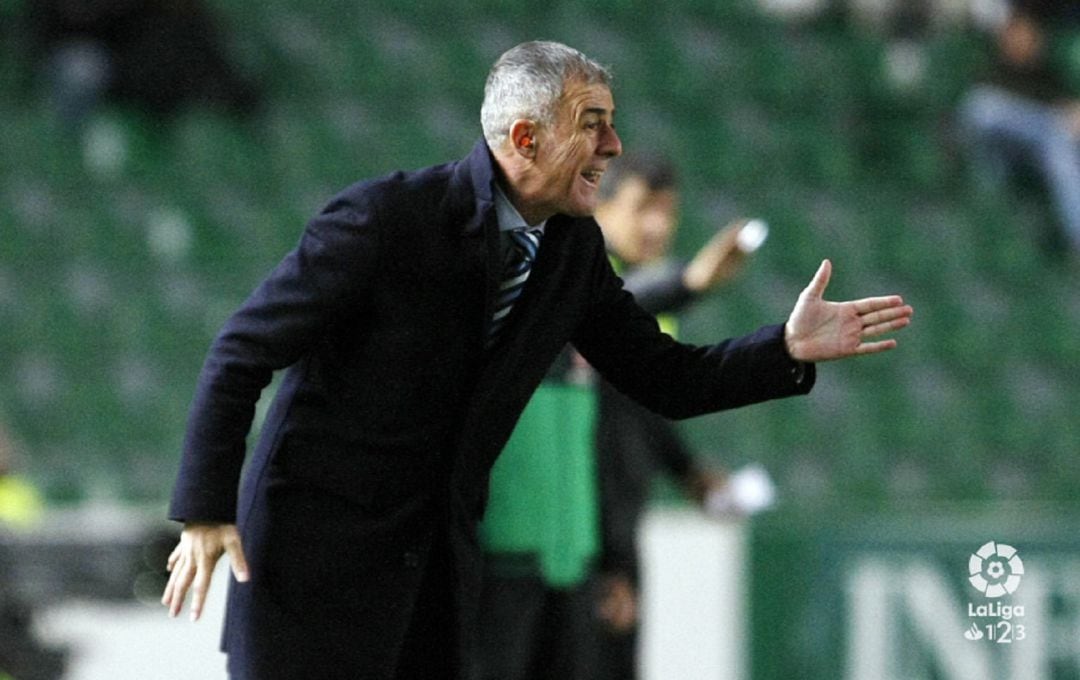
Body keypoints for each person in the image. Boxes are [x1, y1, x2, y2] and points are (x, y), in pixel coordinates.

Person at [161, 40, 913, 680]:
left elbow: (664, 378)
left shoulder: (572, 250)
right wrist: (204, 508)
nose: (613, 149)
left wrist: (782, 348)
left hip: (437, 578)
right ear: (525, 139)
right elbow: (242, 351)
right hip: (313, 567)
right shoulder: (384, 220)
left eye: (612, 127)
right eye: (593, 127)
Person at [471, 153, 753, 680]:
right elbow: (599, 311)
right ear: (599, 205)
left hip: (588, 544)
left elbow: (637, 408)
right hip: (549, 543)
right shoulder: (573, 277)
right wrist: (688, 281)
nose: (658, 225)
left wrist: (685, 469)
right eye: (643, 206)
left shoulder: (634, 297)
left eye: (668, 211)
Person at [957, 0, 1080, 258]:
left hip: (1035, 142)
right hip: (990, 137)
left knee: (1058, 144)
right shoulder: (985, 61)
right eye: (1016, 34)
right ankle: (987, 213)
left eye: (1030, 36)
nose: (1022, 41)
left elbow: (1065, 108)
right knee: (981, 109)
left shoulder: (1046, 72)